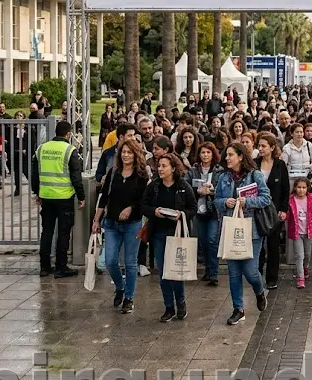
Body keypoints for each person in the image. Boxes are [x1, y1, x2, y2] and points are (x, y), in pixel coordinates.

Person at [214, 143, 271, 325]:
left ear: (240, 157)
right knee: (233, 272)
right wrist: (225, 202)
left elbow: (266, 198)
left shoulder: (255, 175)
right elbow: (215, 201)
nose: (227, 158)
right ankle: (238, 309)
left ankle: (259, 291)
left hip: (252, 229)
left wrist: (247, 201)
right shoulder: (223, 177)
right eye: (226, 155)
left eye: (231, 155)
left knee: (251, 271)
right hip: (231, 229)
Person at [91, 138, 149, 315]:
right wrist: (96, 220)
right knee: (110, 261)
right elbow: (104, 197)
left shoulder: (141, 176)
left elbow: (143, 201)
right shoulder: (113, 173)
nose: (125, 155)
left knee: (130, 263)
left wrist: (131, 208)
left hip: (132, 224)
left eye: (129, 152)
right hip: (111, 223)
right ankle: (120, 287)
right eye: (123, 152)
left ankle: (129, 298)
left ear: (135, 154)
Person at [142, 154, 197, 322]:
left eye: (164, 166)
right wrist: (154, 212)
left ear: (173, 168)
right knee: (163, 271)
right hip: (158, 232)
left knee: (176, 271)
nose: (160, 169)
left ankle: (180, 303)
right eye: (159, 166)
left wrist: (182, 214)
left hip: (176, 233)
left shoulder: (183, 186)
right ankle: (168, 307)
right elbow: (144, 205)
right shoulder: (154, 186)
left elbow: (192, 208)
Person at [31, 120, 85, 279]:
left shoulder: (42, 148)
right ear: (68, 134)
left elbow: (35, 174)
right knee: (63, 233)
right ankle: (61, 266)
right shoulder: (70, 150)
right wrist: (81, 196)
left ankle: (44, 267)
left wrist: (37, 193)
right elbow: (76, 177)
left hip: (46, 197)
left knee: (47, 232)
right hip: (64, 197)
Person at [186, 142, 224, 286]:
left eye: (208, 152)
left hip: (214, 211)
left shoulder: (219, 170)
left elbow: (223, 187)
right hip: (199, 211)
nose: (205, 155)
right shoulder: (193, 170)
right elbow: (186, 185)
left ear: (213, 154)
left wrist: (213, 191)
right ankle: (208, 271)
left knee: (211, 240)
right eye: (203, 152)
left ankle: (213, 273)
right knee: (202, 242)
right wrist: (198, 192)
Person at [256, 132, 290, 289]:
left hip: (274, 211)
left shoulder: (280, 165)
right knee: (258, 245)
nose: (260, 149)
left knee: (273, 245)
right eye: (259, 146)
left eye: (264, 146)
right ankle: (256, 274)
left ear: (272, 147)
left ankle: (272, 278)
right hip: (256, 210)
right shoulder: (254, 164)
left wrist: (283, 209)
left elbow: (285, 189)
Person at [285, 178, 312, 289]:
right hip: (296, 232)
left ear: (307, 188)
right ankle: (300, 278)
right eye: (299, 187)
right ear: (295, 188)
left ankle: (305, 268)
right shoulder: (291, 200)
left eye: (304, 187)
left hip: (308, 231)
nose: (301, 190)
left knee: (307, 254)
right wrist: (284, 216)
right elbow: (289, 215)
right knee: (299, 255)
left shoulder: (311, 198)